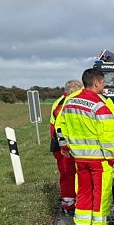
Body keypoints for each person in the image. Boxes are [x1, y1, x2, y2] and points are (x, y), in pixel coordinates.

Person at [55, 68, 114, 225]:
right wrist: (112, 158)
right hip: (100, 161)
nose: (104, 85)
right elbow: (107, 137)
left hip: (79, 159)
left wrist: (64, 146)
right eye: (103, 82)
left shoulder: (69, 102)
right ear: (97, 83)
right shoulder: (100, 106)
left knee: (83, 194)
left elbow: (60, 127)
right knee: (101, 198)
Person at [49, 79, 83, 214]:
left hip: (60, 144)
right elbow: (60, 128)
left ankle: (69, 203)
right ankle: (70, 204)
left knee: (67, 175)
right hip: (66, 146)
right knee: (70, 175)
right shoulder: (68, 103)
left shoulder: (59, 102)